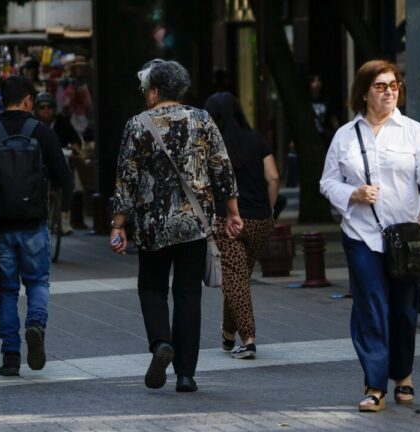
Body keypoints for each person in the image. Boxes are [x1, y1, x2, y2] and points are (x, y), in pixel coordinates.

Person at [110, 59, 243, 393]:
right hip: (195, 224)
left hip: (153, 225)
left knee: (151, 287)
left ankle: (160, 343)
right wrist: (232, 211)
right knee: (188, 295)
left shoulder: (138, 125)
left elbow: (126, 177)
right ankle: (186, 374)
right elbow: (222, 168)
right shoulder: (202, 119)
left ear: (155, 90)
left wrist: (119, 224)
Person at [319, 60, 420, 412]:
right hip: (361, 234)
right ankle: (375, 385)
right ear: (363, 93)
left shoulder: (413, 131)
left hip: (406, 236)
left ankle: (402, 374)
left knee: (404, 308)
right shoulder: (344, 136)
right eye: (381, 86)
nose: (390, 92)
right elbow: (327, 181)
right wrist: (352, 194)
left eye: (394, 85)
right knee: (370, 307)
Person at [0, 75, 71, 377]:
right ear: (28, 101)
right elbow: (63, 177)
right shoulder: (41, 132)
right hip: (34, 224)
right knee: (37, 282)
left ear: (2, 101)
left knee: (8, 291)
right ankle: (36, 325)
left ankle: (10, 356)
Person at [204, 92, 279, 360]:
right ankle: (227, 334)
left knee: (235, 280)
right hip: (260, 219)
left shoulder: (211, 144)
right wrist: (268, 210)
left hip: (227, 220)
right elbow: (273, 177)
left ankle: (248, 340)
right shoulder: (256, 139)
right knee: (238, 279)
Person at [34, 91, 80, 234]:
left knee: (68, 181)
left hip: (59, 160)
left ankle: (64, 221)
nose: (46, 110)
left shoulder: (62, 123)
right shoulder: (33, 125)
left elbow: (76, 140)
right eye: (42, 107)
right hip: (38, 162)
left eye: (49, 107)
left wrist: (74, 147)